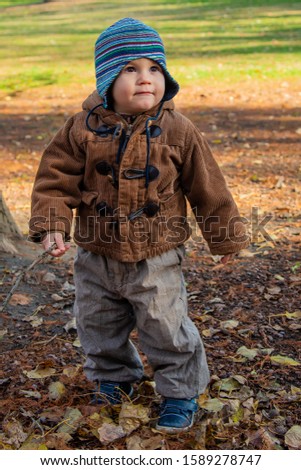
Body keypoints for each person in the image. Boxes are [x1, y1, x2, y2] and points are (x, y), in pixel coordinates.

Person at [29, 17, 249, 433]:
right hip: (95, 252)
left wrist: (226, 239)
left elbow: (209, 187)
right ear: (108, 78)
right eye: (130, 69)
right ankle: (114, 382)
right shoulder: (82, 128)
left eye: (154, 69)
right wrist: (52, 224)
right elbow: (54, 179)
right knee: (97, 323)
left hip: (157, 253)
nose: (145, 79)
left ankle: (181, 391)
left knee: (165, 323)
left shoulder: (179, 130)